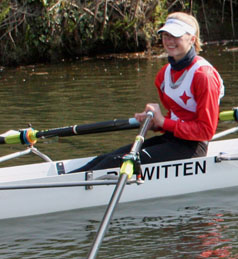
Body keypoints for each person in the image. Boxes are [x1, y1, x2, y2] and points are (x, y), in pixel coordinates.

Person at [73, 12, 224, 172]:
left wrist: (163, 122)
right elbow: (175, 119)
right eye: (166, 35)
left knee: (113, 163)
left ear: (192, 39)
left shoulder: (204, 76)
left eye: (175, 36)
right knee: (104, 158)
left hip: (193, 148)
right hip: (172, 140)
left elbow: (206, 131)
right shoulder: (163, 76)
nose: (169, 41)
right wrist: (154, 124)